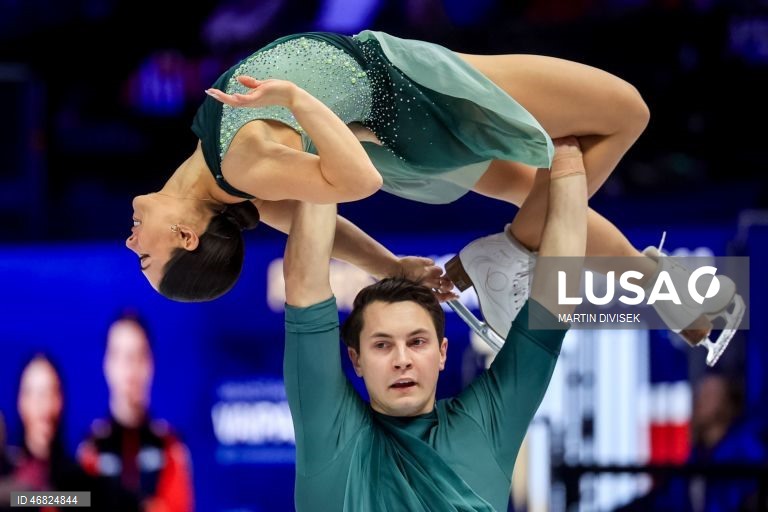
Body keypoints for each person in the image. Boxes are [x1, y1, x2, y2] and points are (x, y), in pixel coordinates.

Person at [125, 29, 741, 361]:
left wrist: (391, 268)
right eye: (144, 257)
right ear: (186, 236)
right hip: (410, 95)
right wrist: (296, 100)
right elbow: (355, 185)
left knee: (541, 182)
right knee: (625, 113)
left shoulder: (231, 178)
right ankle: (516, 252)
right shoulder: (246, 162)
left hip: (392, 132)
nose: (132, 244)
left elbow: (312, 222)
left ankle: (668, 299)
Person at [281, 137, 587, 510]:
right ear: (355, 359)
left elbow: (555, 305)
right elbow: (305, 283)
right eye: (381, 345)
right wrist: (326, 130)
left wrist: (566, 148)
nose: (402, 359)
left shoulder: (483, 427)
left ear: (442, 352)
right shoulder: (332, 434)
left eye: (417, 342)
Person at [77, 314, 194, 512]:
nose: (130, 367)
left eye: (138, 355)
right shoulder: (90, 451)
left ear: (151, 364)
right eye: (121, 356)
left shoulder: (171, 449)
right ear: (107, 364)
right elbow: (64, 500)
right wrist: (22, 496)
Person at [0, 355, 139, 512]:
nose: (45, 407)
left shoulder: (80, 480)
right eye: (36, 394)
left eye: (52, 393)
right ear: (21, 402)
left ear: (62, 400)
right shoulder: (8, 474)